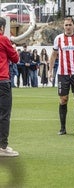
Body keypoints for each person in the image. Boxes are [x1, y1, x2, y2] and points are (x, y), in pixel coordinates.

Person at [48, 16, 74, 135]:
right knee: (63, 99)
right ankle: (62, 128)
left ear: (73, 26)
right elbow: (53, 55)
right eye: (66, 25)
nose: (68, 27)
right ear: (63, 26)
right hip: (62, 73)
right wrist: (50, 70)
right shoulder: (58, 39)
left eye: (70, 25)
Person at [0, 17, 19, 157]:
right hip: (2, 81)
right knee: (4, 115)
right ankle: (2, 146)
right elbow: (15, 59)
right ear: (2, 27)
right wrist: (13, 48)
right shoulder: (4, 40)